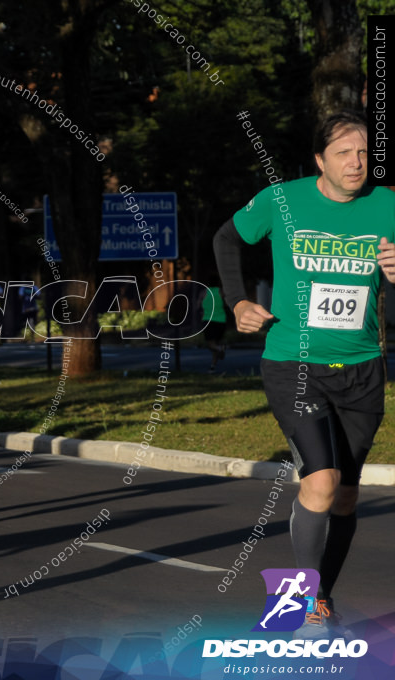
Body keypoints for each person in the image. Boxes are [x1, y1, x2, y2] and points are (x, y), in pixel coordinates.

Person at [213, 110, 395, 639]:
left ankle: (320, 596)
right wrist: (238, 302)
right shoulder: (282, 200)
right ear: (320, 160)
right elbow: (227, 239)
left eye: (363, 153)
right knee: (320, 481)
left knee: (345, 496)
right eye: (343, 153)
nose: (356, 163)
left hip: (363, 369)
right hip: (295, 363)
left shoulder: (388, 205)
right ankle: (300, 603)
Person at [200, 276, 227, 371]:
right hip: (221, 320)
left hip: (208, 320)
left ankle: (220, 349)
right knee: (217, 343)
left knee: (210, 344)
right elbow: (227, 302)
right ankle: (213, 366)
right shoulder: (221, 292)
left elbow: (197, 304)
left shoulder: (204, 292)